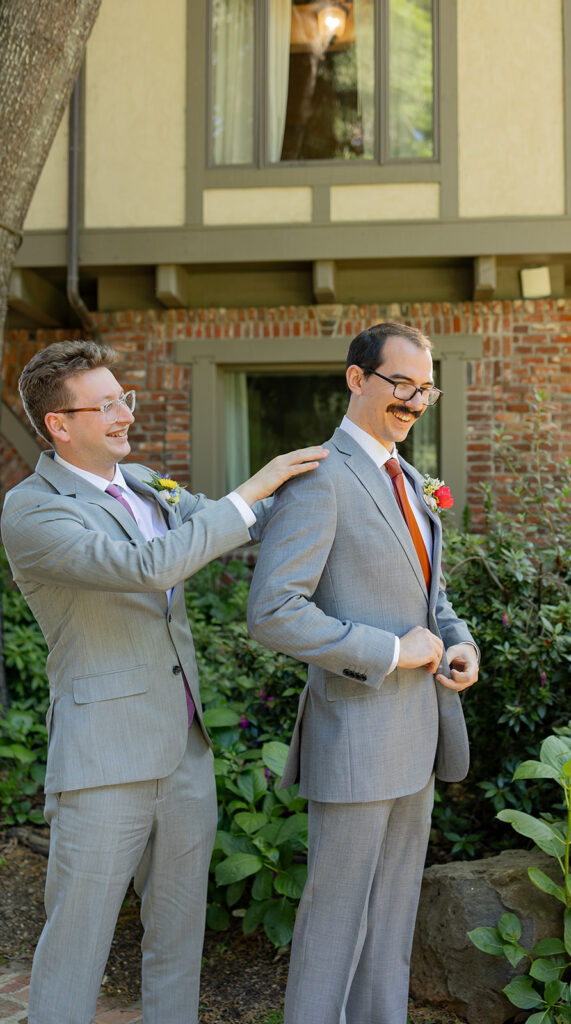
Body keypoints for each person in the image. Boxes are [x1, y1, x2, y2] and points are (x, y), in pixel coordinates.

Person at [0, 339, 327, 1024]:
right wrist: (252, 486)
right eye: (109, 404)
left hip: (185, 751)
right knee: (76, 948)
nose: (125, 413)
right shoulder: (32, 511)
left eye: (126, 398)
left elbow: (236, 524)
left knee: (179, 943)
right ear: (59, 425)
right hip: (102, 761)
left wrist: (340, 484)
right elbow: (150, 566)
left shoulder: (147, 481)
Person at [247, 321, 480, 1024]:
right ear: (356, 379)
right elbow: (272, 612)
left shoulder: (408, 478)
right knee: (334, 926)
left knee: (391, 923)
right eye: (399, 384)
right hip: (354, 737)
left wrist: (456, 642)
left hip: (418, 734)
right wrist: (388, 652)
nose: (412, 400)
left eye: (423, 388)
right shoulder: (319, 477)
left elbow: (427, 597)